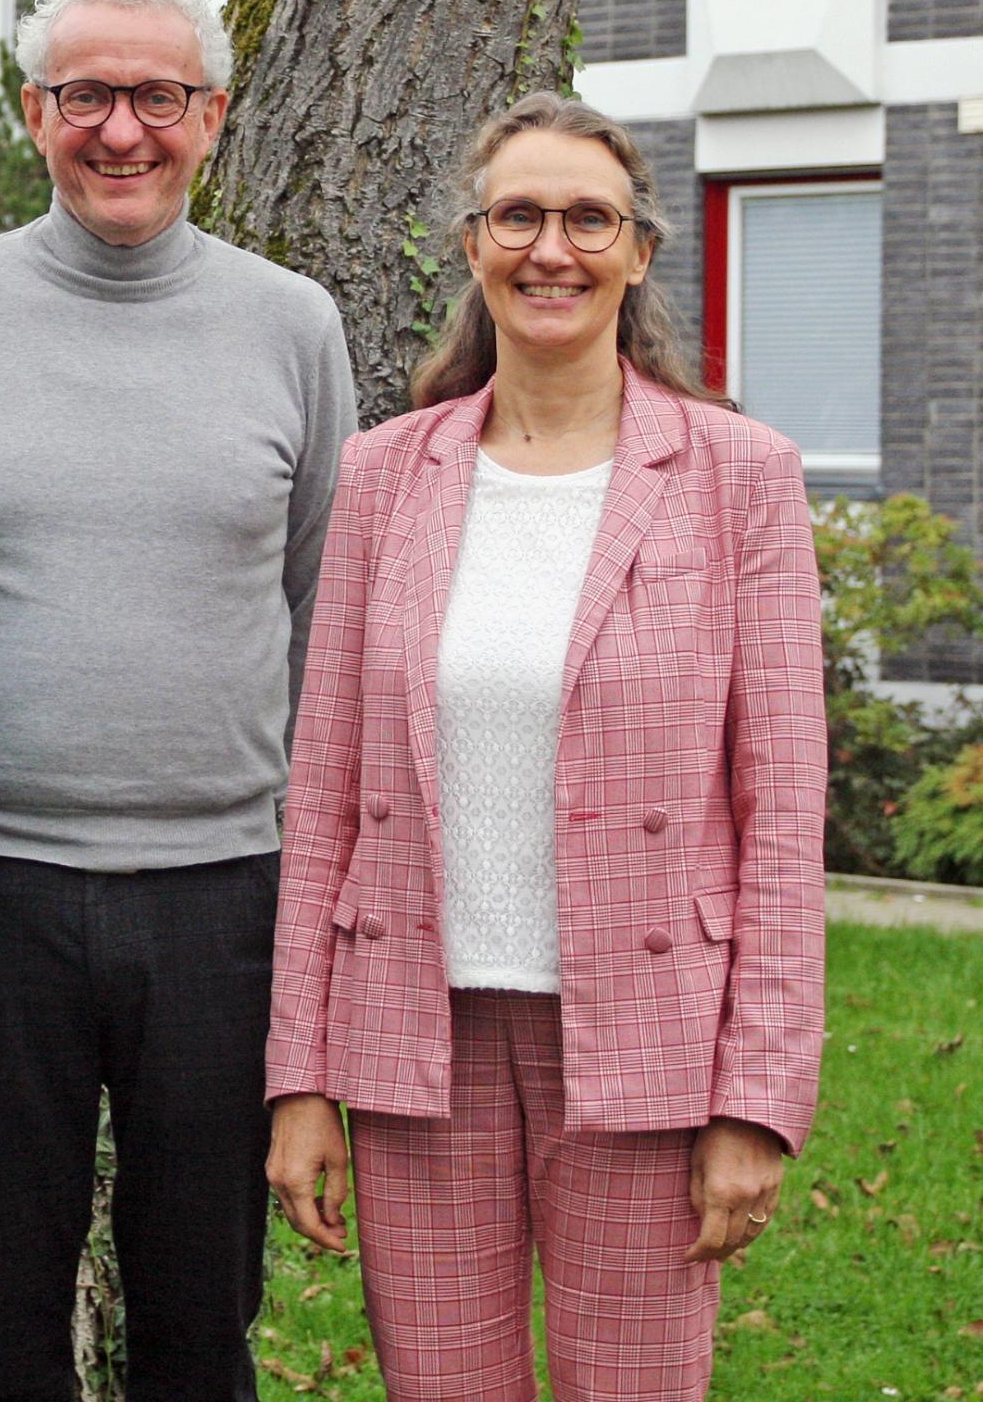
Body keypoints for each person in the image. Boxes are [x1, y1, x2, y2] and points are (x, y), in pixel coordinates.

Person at [266, 92, 827, 1402]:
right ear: (474, 244)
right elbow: (327, 790)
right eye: (519, 215)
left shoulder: (740, 477)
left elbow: (785, 814)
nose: (552, 250)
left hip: (648, 1043)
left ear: (638, 254)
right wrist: (301, 1075)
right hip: (418, 1042)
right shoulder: (386, 476)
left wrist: (757, 1098)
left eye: (590, 219)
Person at [0, 0, 357, 1401]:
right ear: (33, 111)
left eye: (156, 97)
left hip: (223, 892)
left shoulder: (293, 326)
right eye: (87, 95)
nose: (120, 131)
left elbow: (318, 610)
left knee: (201, 1315)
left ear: (212, 115)